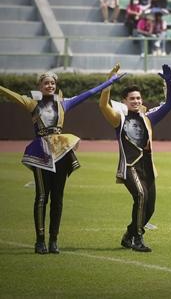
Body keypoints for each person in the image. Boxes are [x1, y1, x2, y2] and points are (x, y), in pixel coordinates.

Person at [0, 70, 124, 254]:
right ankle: (40, 240)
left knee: (57, 198)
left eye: (52, 83)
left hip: (60, 152)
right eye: (46, 83)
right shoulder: (32, 103)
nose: (50, 86)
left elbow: (88, 93)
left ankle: (53, 240)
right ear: (39, 86)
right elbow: (12, 95)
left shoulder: (63, 103)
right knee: (42, 197)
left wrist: (109, 82)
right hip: (41, 151)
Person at [99, 64, 171, 253]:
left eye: (138, 98)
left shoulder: (148, 117)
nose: (136, 101)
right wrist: (108, 82)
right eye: (132, 98)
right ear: (124, 101)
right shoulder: (119, 119)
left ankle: (129, 234)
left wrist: (169, 83)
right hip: (129, 166)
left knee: (150, 208)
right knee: (140, 196)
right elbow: (102, 105)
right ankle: (138, 239)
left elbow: (169, 105)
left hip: (147, 167)